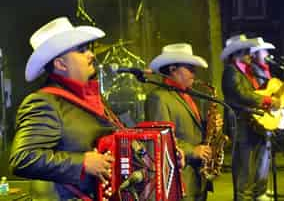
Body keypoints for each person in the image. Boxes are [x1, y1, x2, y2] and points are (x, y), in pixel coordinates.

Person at [9, 17, 124, 200]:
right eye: (81, 50)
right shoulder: (43, 102)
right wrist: (82, 163)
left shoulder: (93, 99)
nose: (91, 55)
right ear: (61, 64)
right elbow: (23, 157)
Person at [144, 43, 223, 201]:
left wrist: (210, 125)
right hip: (181, 178)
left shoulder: (186, 95)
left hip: (197, 177)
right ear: (173, 69)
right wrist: (192, 151)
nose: (194, 72)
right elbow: (161, 140)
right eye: (189, 67)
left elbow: (190, 130)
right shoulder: (159, 97)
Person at [221, 34, 281, 201]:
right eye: (246, 51)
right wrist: (267, 100)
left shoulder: (248, 71)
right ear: (236, 54)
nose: (250, 54)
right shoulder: (231, 71)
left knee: (254, 167)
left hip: (252, 124)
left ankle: (256, 194)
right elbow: (240, 95)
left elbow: (257, 90)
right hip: (241, 126)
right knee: (244, 171)